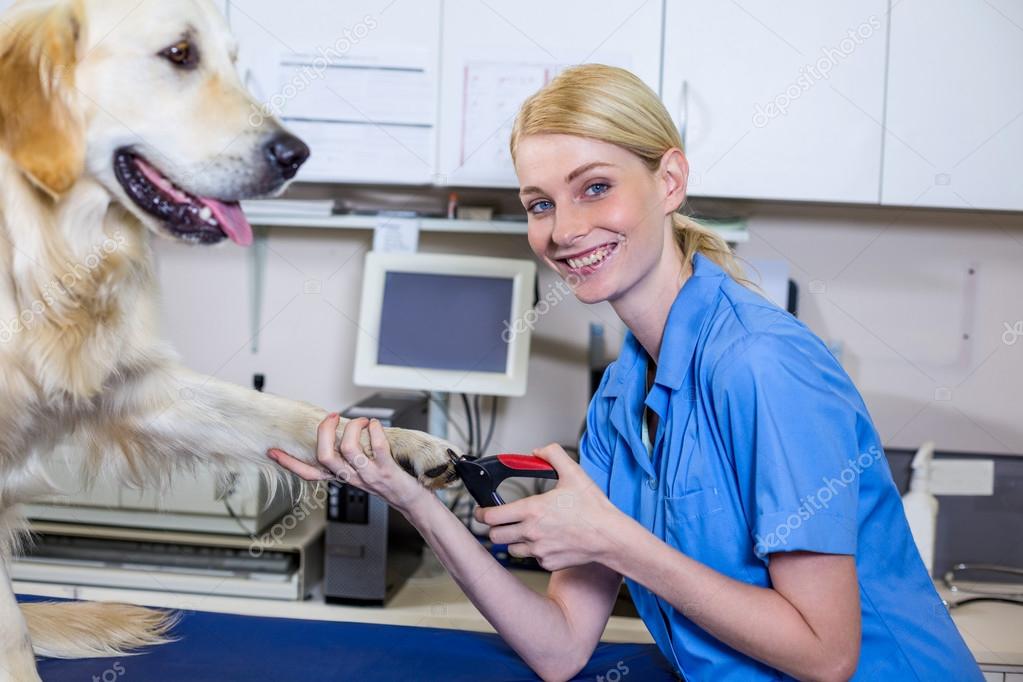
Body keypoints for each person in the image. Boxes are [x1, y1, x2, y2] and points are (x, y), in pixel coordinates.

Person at [268, 64, 982, 681]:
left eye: (594, 187)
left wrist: (613, 539)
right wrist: (410, 499)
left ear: (668, 180)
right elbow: (558, 650)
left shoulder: (762, 365)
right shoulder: (619, 397)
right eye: (539, 204)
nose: (564, 230)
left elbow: (826, 656)